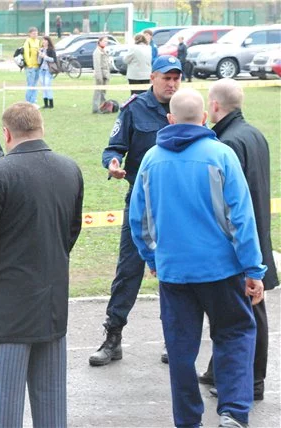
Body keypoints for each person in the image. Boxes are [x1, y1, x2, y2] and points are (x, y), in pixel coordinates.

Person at [129, 87, 265, 428]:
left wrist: (152, 259)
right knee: (235, 334)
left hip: (175, 271)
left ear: (170, 119)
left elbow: (139, 220)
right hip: (221, 269)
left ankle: (188, 419)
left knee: (180, 348)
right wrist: (253, 268)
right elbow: (241, 218)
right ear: (204, 118)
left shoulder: (150, 160)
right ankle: (233, 411)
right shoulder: (221, 155)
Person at [0, 102, 83, 427]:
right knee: (52, 408)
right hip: (50, 305)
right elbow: (70, 232)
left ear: (7, 133)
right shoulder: (70, 168)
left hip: (4, 312)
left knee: (4, 410)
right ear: (41, 128)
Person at [90, 55, 182, 367]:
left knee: (173, 271)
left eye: (176, 78)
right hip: (141, 203)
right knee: (128, 270)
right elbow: (113, 148)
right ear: (152, 77)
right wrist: (113, 164)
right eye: (166, 78)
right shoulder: (134, 108)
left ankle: (174, 337)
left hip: (177, 206)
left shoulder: (186, 108)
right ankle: (113, 337)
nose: (172, 84)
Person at [199, 78, 279, 402]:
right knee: (238, 310)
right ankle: (218, 369)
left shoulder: (227, 143)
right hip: (257, 231)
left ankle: (254, 381)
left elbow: (227, 203)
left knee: (246, 312)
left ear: (215, 105)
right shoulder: (253, 134)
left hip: (241, 240)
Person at [23, 27, 41, 106]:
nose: (35, 35)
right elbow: (26, 54)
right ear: (29, 34)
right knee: (30, 85)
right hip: (30, 67)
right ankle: (28, 102)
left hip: (37, 66)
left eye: (36, 33)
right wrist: (29, 64)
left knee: (35, 85)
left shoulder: (38, 42)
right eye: (33, 33)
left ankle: (33, 102)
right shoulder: (27, 42)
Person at [92, 36, 110, 113]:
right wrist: (99, 77)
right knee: (98, 92)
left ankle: (102, 107)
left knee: (103, 92)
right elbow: (97, 66)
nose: (106, 42)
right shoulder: (97, 52)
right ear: (100, 41)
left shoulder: (103, 51)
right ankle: (96, 108)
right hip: (100, 75)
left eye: (107, 41)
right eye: (104, 41)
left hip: (105, 74)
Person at [38, 36, 57, 109]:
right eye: (43, 40)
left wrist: (45, 57)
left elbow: (54, 60)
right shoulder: (41, 49)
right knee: (43, 86)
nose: (43, 41)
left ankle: (51, 104)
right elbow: (39, 62)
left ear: (48, 42)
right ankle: (45, 104)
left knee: (47, 85)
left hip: (48, 71)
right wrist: (39, 55)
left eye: (45, 40)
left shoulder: (51, 50)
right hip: (41, 70)